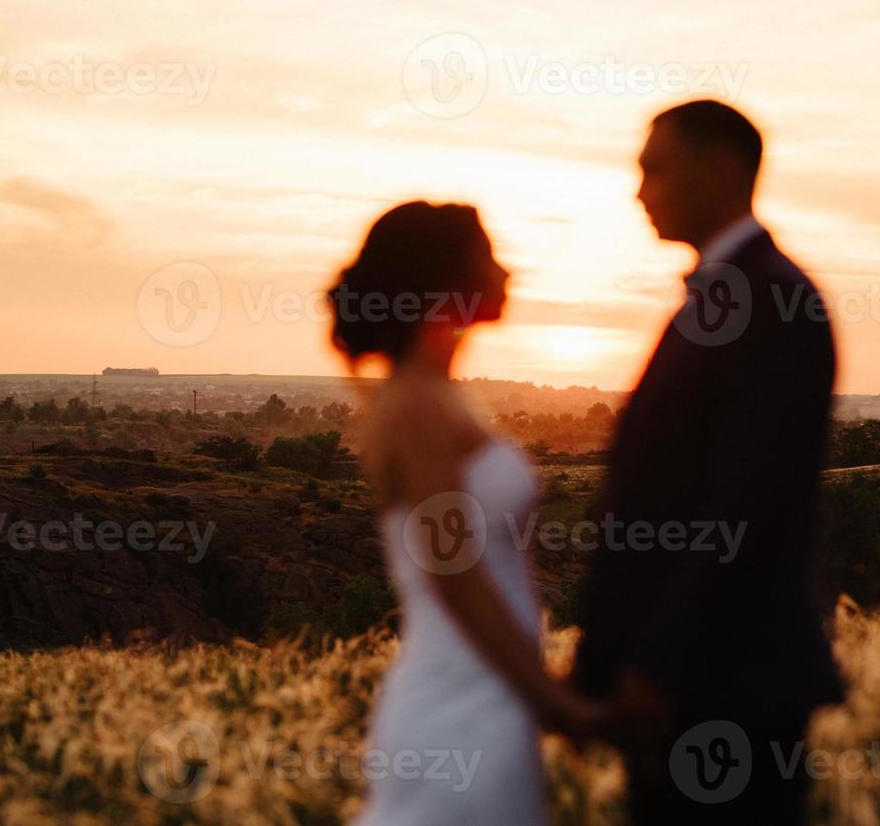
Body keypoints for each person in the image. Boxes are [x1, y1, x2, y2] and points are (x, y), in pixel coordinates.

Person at [572, 100, 844, 823]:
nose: (638, 191)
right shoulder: (723, 297)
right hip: (684, 690)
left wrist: (658, 668)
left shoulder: (774, 300)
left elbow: (751, 512)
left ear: (720, 169)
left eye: (653, 168)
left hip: (726, 694)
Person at [335, 201, 600, 826]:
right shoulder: (418, 406)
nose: (506, 271)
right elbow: (454, 573)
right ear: (445, 279)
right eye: (490, 255)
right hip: (457, 704)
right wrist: (554, 702)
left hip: (493, 692)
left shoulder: (444, 396)